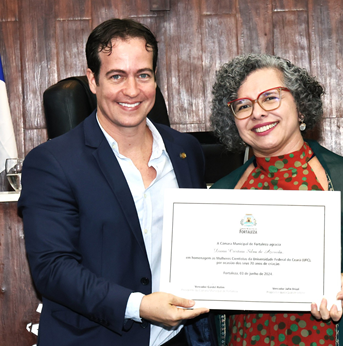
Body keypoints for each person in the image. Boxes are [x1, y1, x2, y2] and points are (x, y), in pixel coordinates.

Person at [18, 19, 210, 346]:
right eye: (117, 76)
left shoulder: (185, 150)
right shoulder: (51, 162)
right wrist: (139, 306)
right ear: (93, 80)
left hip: (176, 339)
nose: (132, 91)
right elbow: (52, 269)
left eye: (143, 75)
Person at [208, 54, 343, 346]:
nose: (257, 113)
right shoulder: (221, 194)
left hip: (328, 335)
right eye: (243, 106)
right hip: (249, 338)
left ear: (301, 106)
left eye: (270, 98)